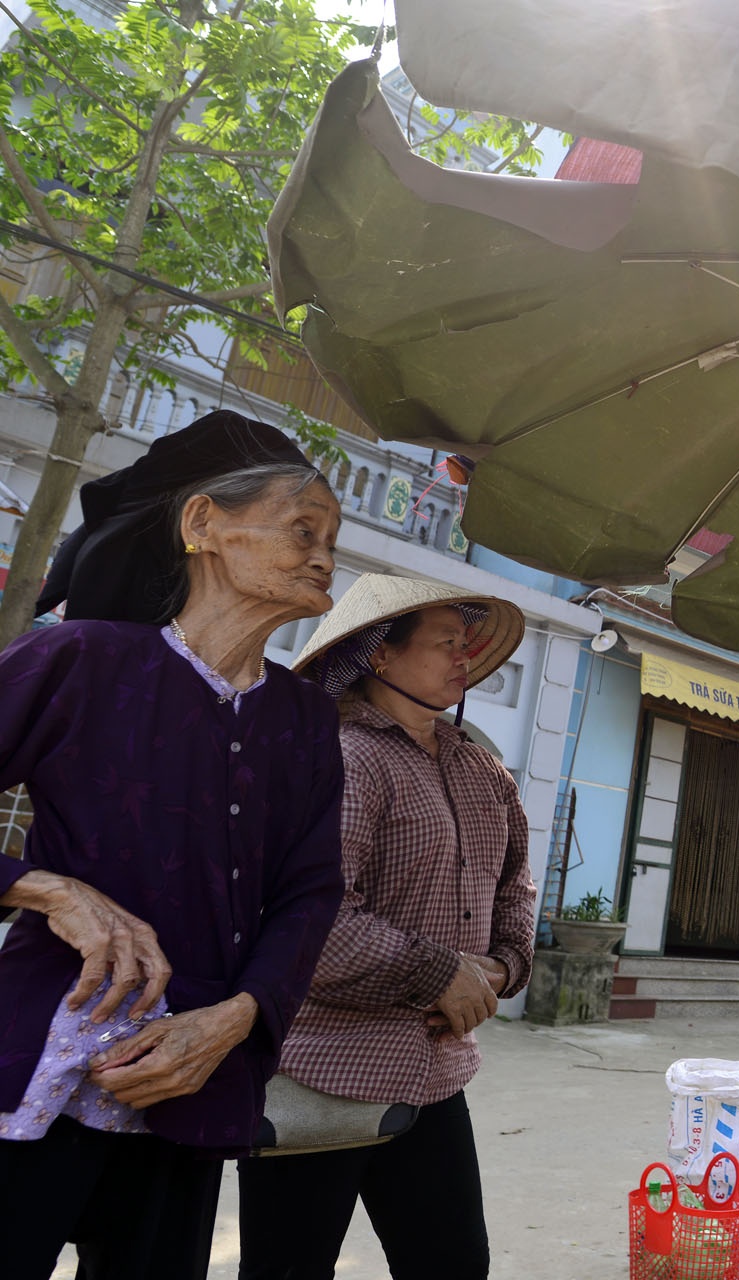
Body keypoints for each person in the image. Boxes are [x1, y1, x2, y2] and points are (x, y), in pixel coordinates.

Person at [0, 411, 348, 1280]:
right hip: (40, 1060)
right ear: (202, 527)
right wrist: (50, 891)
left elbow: (311, 894)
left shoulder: (304, 718)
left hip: (191, 1080)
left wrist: (232, 1024)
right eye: (302, 529)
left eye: (333, 540)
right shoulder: (80, 659)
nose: (323, 555)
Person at [238, 574, 536, 1280]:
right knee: (286, 1269)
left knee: (454, 1264)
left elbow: (515, 887)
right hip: (325, 1070)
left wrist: (501, 968)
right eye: (445, 644)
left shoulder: (484, 771)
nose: (465, 659)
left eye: (466, 645)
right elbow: (313, 920)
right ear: (379, 655)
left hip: (437, 1075)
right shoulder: (340, 757)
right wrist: (443, 974)